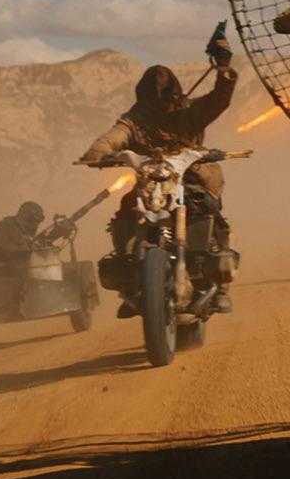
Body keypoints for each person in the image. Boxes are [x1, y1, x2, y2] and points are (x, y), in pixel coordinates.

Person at [78, 26, 239, 313]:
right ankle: (129, 280)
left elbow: (219, 99)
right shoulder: (135, 119)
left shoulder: (190, 111)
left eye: (165, 95)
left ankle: (222, 284)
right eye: (154, 96)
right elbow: (113, 137)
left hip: (193, 175)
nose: (160, 100)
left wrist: (224, 68)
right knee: (126, 210)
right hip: (152, 180)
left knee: (209, 208)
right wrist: (97, 153)